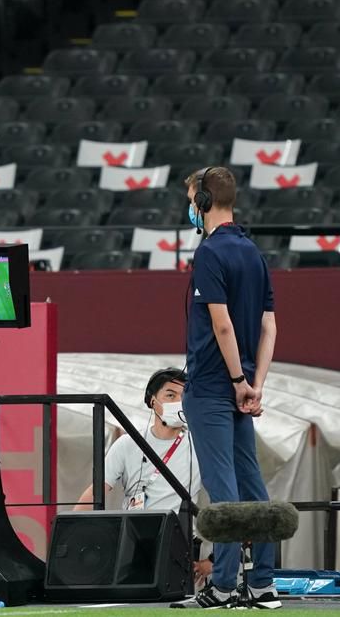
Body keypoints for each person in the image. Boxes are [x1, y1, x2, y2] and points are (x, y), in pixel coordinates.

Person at [174, 167, 279, 610]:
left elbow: (222, 324)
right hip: (241, 386)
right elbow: (269, 326)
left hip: (215, 388)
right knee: (252, 486)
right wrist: (255, 385)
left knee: (223, 492)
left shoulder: (211, 253)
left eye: (189, 201)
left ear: (201, 202)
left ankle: (221, 587)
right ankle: (263, 585)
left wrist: (237, 382)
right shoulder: (253, 253)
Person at [73, 368, 200, 514]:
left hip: (180, 533)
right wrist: (68, 529)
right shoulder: (127, 444)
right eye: (170, 395)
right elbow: (97, 491)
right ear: (152, 401)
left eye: (184, 396)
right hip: (134, 532)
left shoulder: (199, 445)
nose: (179, 402)